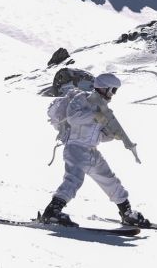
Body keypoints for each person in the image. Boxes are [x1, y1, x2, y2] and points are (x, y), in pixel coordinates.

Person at [40, 72, 150, 228]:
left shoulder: (103, 108)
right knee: (73, 181)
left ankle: (127, 213)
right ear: (103, 88)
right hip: (76, 148)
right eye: (112, 90)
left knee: (110, 180)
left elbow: (98, 134)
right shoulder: (82, 98)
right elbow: (73, 117)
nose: (113, 94)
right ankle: (52, 212)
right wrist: (95, 115)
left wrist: (110, 135)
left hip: (91, 151)